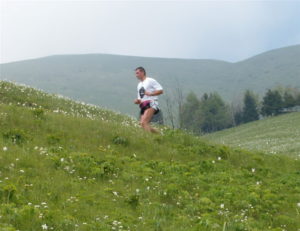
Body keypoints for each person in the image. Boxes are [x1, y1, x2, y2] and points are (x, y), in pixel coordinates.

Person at [134, 67, 163, 133]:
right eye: (135, 73)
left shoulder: (150, 80)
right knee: (142, 124)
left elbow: (161, 90)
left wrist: (151, 93)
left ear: (142, 72)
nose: (136, 75)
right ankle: (159, 134)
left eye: (137, 73)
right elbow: (140, 98)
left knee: (144, 122)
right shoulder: (139, 85)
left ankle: (149, 139)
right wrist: (137, 101)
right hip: (143, 105)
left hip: (151, 103)